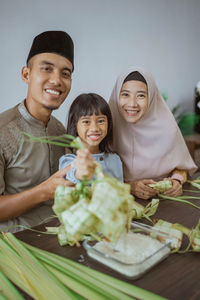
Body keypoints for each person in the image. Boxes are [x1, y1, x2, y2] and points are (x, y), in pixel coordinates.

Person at [0, 30, 75, 232]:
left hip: (62, 233)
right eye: (47, 69)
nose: (57, 80)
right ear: (26, 74)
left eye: (65, 74)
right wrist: (44, 191)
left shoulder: (60, 130)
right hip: (18, 245)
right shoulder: (3, 131)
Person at [109, 67, 197, 200]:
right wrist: (130, 186)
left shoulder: (167, 128)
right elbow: (93, 176)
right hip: (117, 201)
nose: (132, 104)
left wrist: (177, 181)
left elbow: (181, 166)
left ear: (151, 97)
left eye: (141, 95)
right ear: (117, 95)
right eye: (125, 94)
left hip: (162, 201)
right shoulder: (105, 127)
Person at [59, 93, 123, 183]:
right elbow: (71, 174)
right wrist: (79, 173)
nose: (94, 128)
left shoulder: (115, 160)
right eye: (86, 122)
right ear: (75, 125)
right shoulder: (68, 160)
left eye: (100, 121)